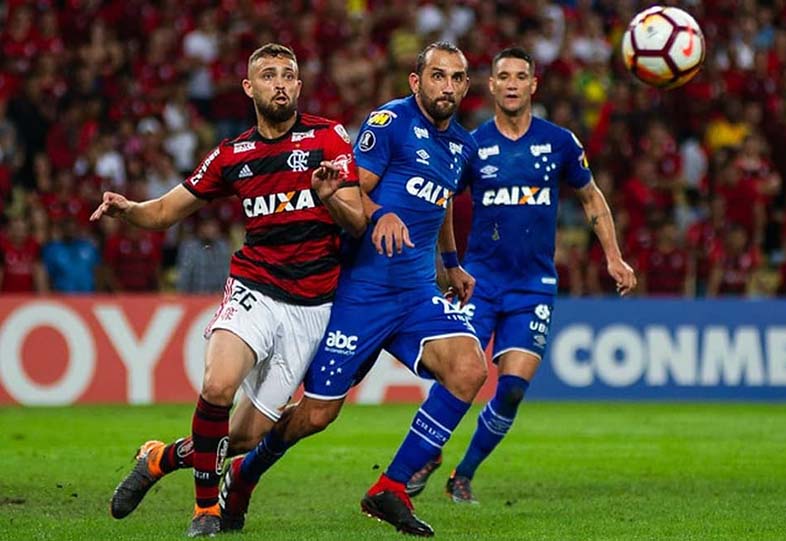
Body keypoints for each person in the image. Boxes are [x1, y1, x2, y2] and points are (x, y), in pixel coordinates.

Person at [94, 43, 366, 537]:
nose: (280, 82)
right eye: (268, 75)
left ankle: (158, 458)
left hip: (311, 307)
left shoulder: (329, 139)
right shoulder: (232, 154)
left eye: (288, 75)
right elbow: (163, 213)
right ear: (250, 87)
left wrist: (329, 198)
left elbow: (359, 222)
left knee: (243, 436)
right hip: (254, 288)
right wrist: (127, 208)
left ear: (299, 87)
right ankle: (205, 512)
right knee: (217, 386)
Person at [218, 41, 486, 537]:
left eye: (456, 78)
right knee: (317, 415)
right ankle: (242, 475)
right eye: (437, 76)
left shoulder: (463, 147)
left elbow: (443, 198)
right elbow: (350, 190)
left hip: (415, 294)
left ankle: (391, 488)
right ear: (416, 81)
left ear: (466, 86)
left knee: (470, 370)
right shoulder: (390, 124)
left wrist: (450, 263)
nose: (446, 86)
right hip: (359, 294)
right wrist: (380, 213)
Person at [406, 47, 637, 503]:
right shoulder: (472, 145)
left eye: (521, 76)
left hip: (533, 286)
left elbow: (591, 198)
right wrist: (450, 263)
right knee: (459, 378)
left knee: (511, 390)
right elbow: (444, 200)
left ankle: (463, 473)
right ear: (491, 86)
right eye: (503, 76)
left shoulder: (560, 143)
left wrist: (614, 256)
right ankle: (427, 452)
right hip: (480, 283)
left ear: (534, 85)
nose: (512, 83)